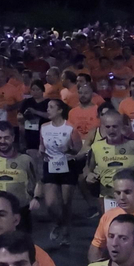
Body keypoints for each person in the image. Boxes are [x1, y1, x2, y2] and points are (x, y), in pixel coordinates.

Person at [37, 98, 82, 246]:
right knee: (50, 203)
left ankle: (66, 232)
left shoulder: (70, 128)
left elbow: (77, 148)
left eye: (51, 107)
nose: (48, 110)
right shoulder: (44, 127)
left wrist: (69, 150)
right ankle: (57, 223)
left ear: (60, 110)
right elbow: (41, 146)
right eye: (47, 107)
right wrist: (41, 151)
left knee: (66, 202)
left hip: (67, 166)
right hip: (50, 165)